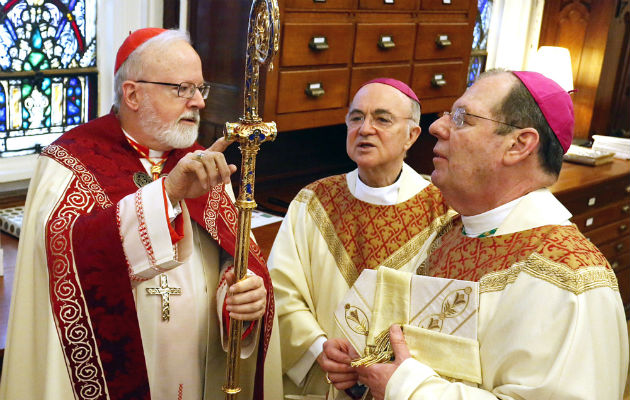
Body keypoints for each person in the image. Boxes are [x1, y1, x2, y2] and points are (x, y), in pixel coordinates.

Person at [0, 28, 282, 400]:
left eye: (201, 88)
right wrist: (167, 195)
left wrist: (240, 294)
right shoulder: (69, 161)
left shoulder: (204, 162)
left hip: (200, 372)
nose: (198, 102)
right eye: (182, 89)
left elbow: (234, 258)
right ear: (132, 94)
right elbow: (65, 258)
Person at [327, 70, 629, 399]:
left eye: (461, 119)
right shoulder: (450, 234)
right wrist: (364, 367)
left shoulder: (569, 280)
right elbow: (406, 347)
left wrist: (405, 387)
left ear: (518, 145)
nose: (436, 127)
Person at [268, 78, 454, 399]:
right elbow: (281, 290)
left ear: (411, 135)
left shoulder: (443, 213)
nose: (365, 129)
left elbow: (445, 312)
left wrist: (399, 374)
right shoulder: (312, 202)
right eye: (356, 118)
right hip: (320, 377)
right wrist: (317, 347)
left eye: (382, 119)